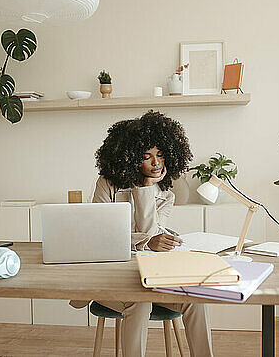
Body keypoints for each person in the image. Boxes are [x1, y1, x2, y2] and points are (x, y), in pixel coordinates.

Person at [72, 110, 214, 357]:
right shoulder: (107, 184)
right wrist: (146, 241)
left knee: (195, 299)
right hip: (111, 277)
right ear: (128, 157)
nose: (156, 163)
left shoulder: (165, 196)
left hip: (150, 277)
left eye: (160, 155)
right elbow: (100, 237)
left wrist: (147, 191)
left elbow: (149, 237)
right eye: (146, 157)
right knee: (139, 302)